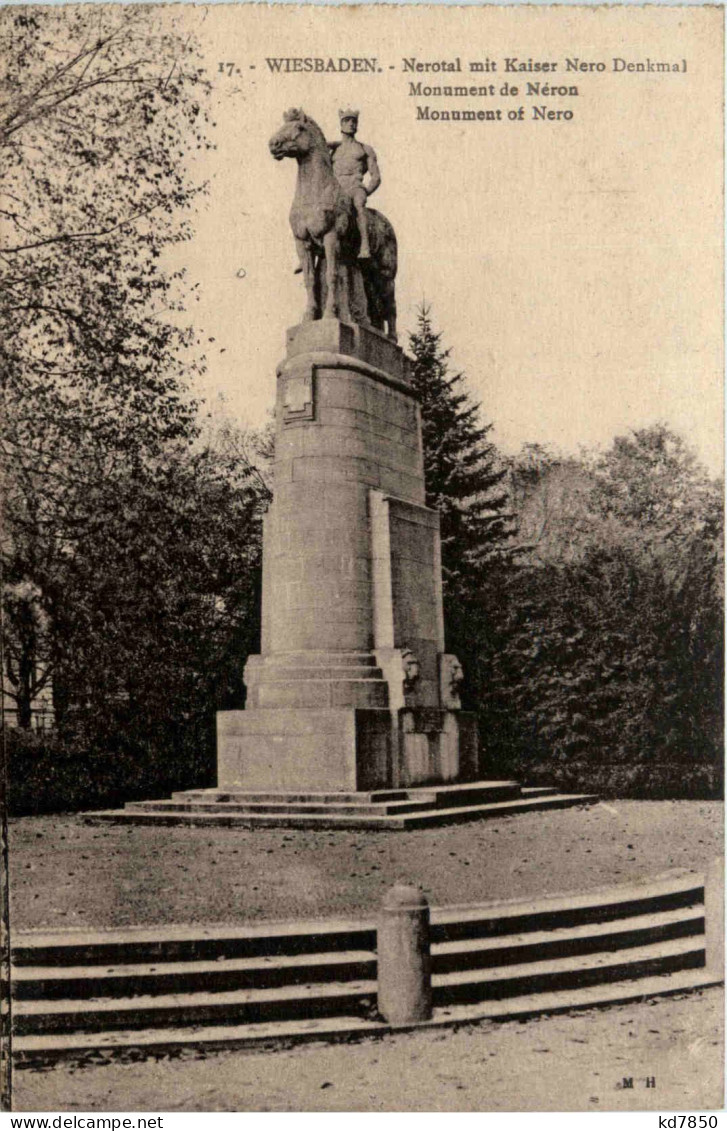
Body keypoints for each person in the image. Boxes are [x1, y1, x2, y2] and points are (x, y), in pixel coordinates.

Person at [329, 108, 381, 259]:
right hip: (336, 189)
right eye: (347, 121)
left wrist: (366, 191)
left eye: (354, 121)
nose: (351, 124)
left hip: (355, 186)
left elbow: (376, 176)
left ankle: (365, 246)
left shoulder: (365, 149)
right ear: (341, 124)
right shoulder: (334, 149)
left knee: (359, 205)